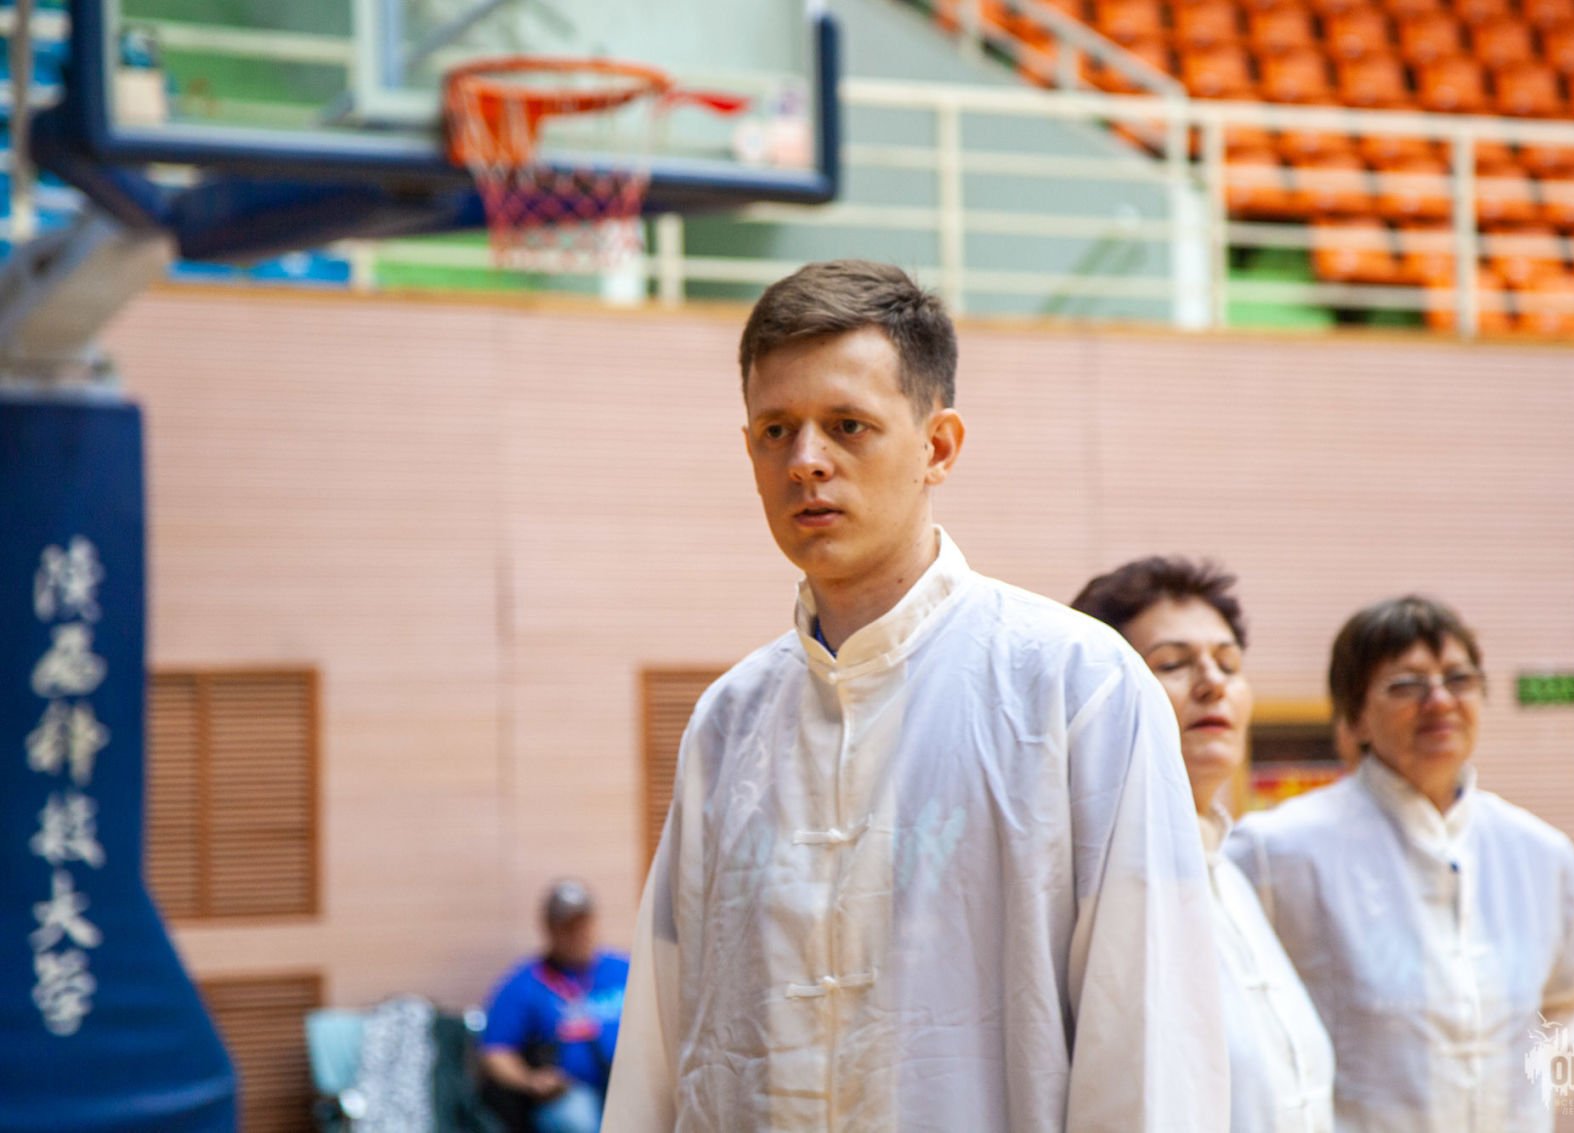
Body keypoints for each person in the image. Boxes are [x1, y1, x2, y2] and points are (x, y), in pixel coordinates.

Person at [604, 260, 1226, 1132]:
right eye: (776, 430)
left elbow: (1149, 1045)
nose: (805, 461)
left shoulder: (1078, 685)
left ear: (938, 447)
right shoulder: (728, 722)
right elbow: (663, 1044)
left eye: (847, 426)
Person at [1226, 595, 1574, 1132]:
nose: (1439, 700)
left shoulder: (1540, 853)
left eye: (1459, 679)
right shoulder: (1274, 851)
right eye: (1406, 685)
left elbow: (1568, 994)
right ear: (1355, 717)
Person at [1072, 556, 1334, 1133]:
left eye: (1229, 663)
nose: (1213, 683)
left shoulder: (1229, 871)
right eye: (1172, 664)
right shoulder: (1088, 882)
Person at [482, 880, 629, 1133]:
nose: (577, 934)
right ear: (549, 929)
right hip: (569, 1092)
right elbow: (495, 1052)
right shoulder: (525, 983)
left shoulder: (624, 970)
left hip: (626, 1083)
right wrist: (531, 1080)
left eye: (582, 923)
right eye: (567, 927)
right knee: (575, 1119)